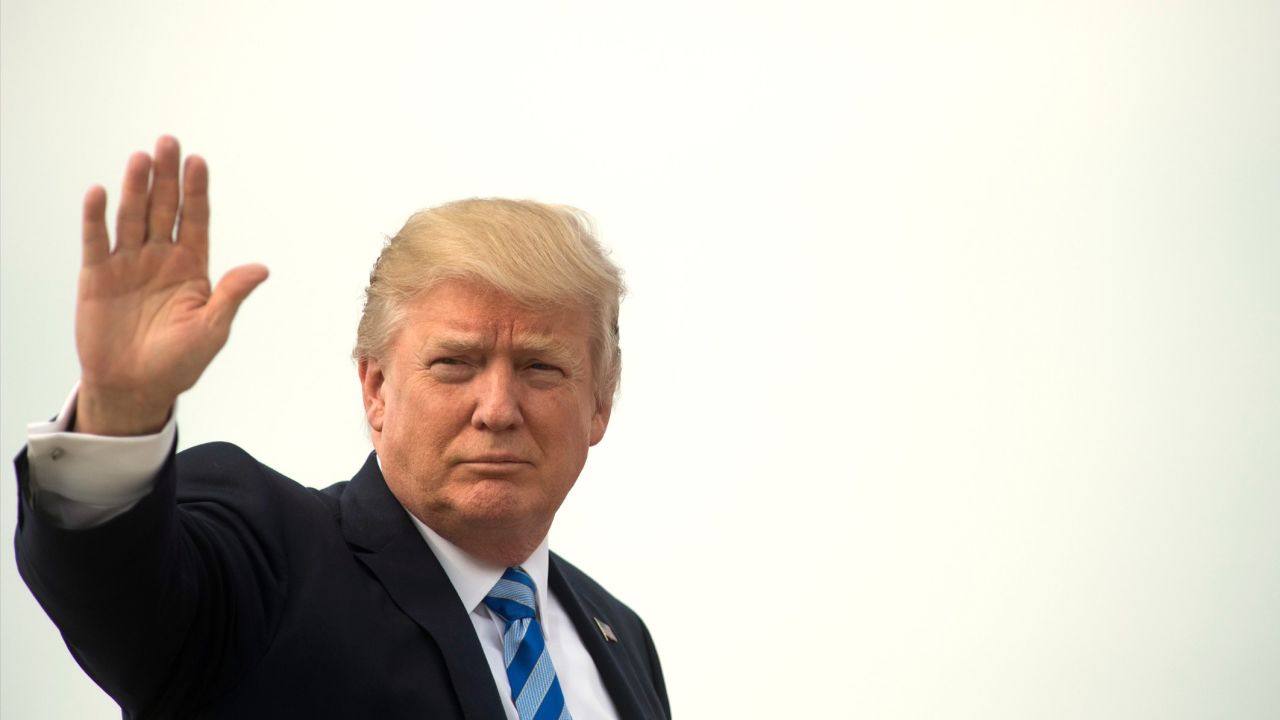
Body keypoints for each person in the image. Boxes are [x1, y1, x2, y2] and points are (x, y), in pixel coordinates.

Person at [14, 136, 670, 719]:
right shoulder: (265, 563)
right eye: (454, 363)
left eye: (540, 367)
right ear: (376, 389)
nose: (497, 408)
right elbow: (113, 586)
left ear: (600, 403)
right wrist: (119, 413)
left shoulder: (620, 637)